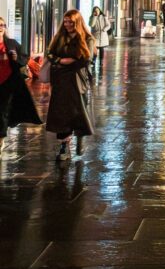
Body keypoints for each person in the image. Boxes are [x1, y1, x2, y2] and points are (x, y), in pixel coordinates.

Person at [45, 10, 96, 161]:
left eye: (71, 22)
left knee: (78, 111)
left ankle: (80, 136)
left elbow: (87, 59)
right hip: (60, 79)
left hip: (77, 80)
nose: (67, 25)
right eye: (65, 21)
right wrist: (60, 61)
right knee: (61, 113)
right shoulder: (60, 36)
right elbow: (49, 53)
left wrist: (72, 62)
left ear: (77, 22)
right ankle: (63, 146)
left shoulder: (87, 39)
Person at [0, 17, 41, 154]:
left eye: (3, 25)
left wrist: (16, 58)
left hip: (8, 82)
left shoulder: (11, 43)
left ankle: (0, 139)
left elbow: (24, 58)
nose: (1, 27)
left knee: (3, 110)